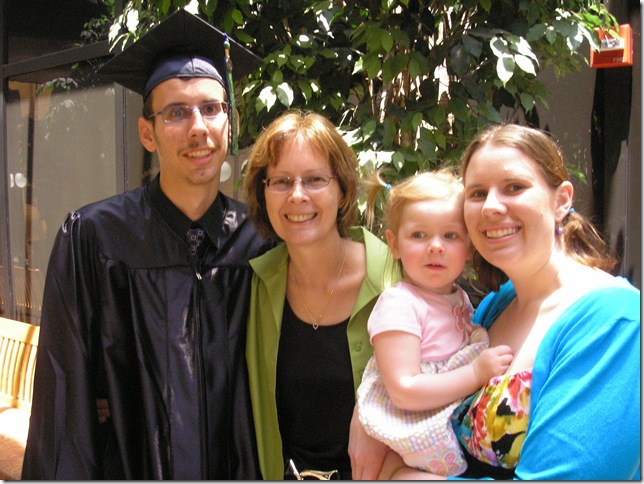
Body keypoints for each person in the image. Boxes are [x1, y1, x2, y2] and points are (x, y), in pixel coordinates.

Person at [21, 9, 272, 479]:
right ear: (147, 133)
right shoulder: (94, 237)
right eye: (176, 112)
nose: (198, 127)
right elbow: (66, 391)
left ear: (230, 125)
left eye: (211, 108)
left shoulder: (260, 241)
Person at [352, 123, 641, 480]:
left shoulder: (614, 321)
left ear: (562, 199)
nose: (490, 207)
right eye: (476, 194)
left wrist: (404, 477)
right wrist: (366, 421)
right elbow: (411, 371)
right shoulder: (492, 307)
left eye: (514, 187)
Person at [243, 110, 400, 480]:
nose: (297, 196)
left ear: (342, 189)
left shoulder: (395, 279)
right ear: (262, 192)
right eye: (280, 181)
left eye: (314, 180)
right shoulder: (255, 287)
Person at [355, 169, 513, 477]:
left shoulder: (460, 300)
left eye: (450, 235)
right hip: (406, 443)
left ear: (469, 247)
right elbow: (404, 389)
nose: (435, 246)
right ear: (394, 244)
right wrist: (475, 372)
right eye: (419, 235)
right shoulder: (399, 304)